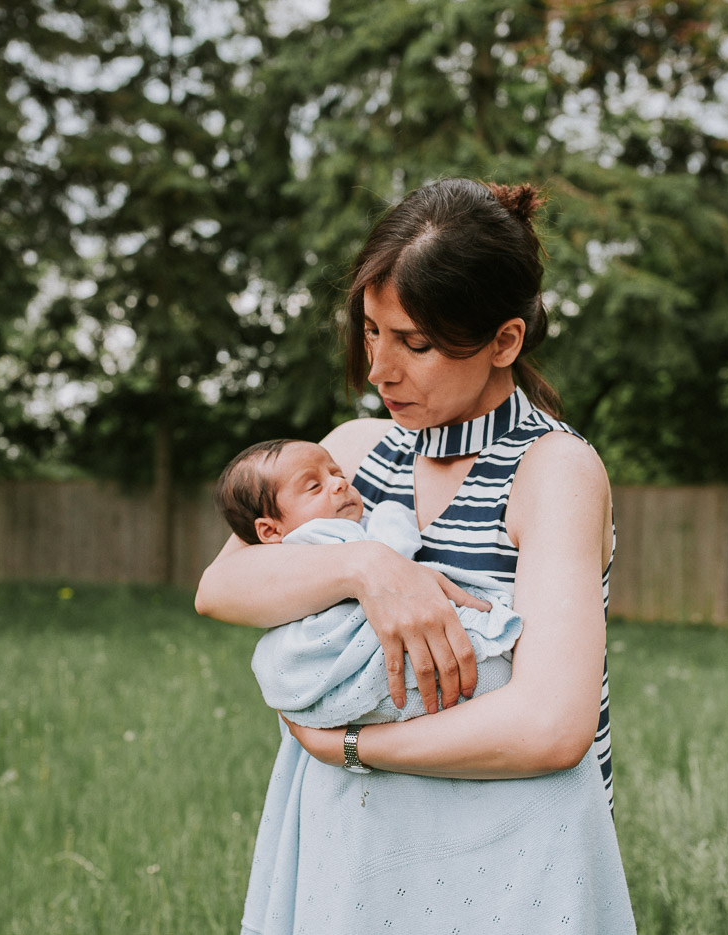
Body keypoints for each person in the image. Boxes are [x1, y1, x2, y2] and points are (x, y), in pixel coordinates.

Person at [196, 177, 634, 933]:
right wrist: (370, 567)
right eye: (371, 331)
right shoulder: (353, 457)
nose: (378, 370)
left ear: (505, 340)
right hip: (363, 847)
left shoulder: (551, 470)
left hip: (508, 853)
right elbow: (221, 585)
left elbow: (552, 724)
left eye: (416, 343)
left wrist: (352, 746)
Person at [214, 438, 523, 727]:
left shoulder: (340, 532)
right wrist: (390, 515)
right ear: (270, 531)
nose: (339, 483)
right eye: (314, 486)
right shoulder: (314, 538)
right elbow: (394, 558)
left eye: (337, 473)